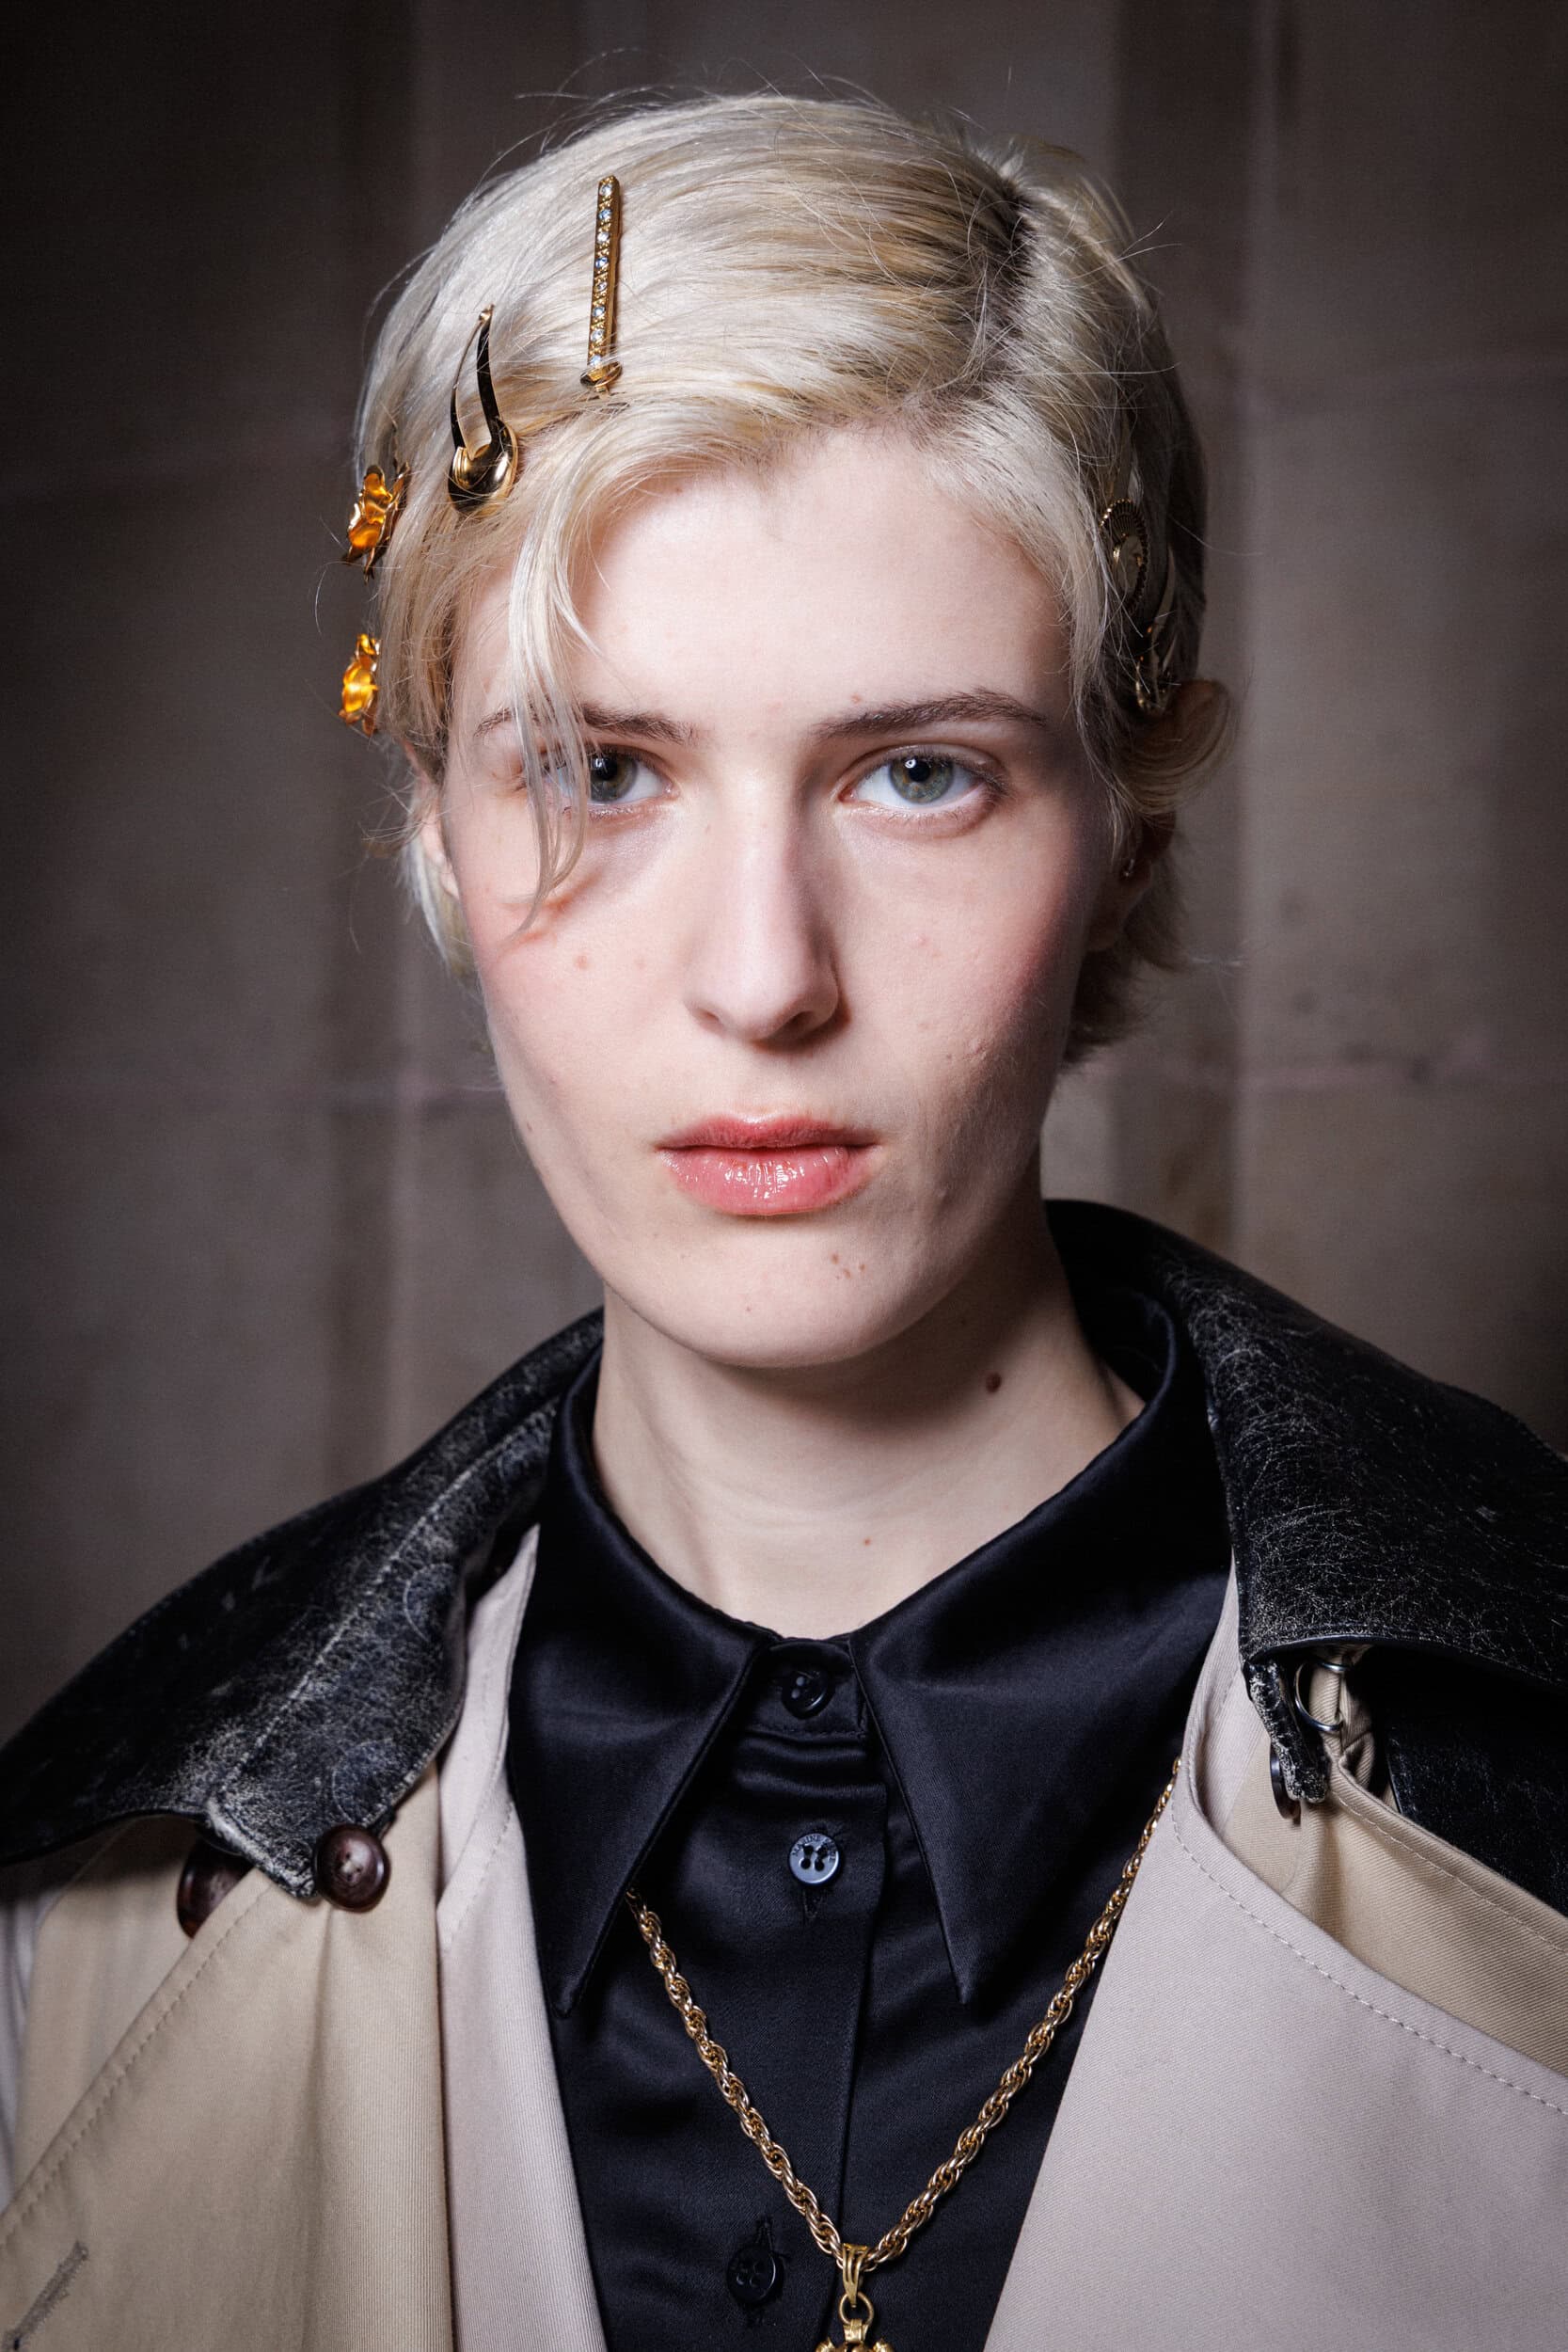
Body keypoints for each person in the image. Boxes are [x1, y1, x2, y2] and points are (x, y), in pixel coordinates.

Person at [1, 90, 1564, 2352]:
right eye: (600, 768)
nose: (764, 975)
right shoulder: (74, 1919)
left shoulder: (1532, 1797)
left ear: (1125, 826)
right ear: (434, 822)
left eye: (919, 770)